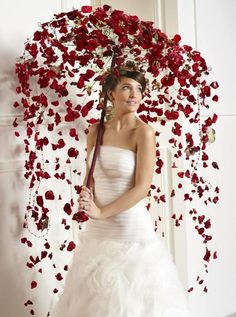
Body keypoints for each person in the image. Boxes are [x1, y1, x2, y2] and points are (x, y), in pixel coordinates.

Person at [50, 62, 192, 317]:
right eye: (126, 88)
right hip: (97, 229)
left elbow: (142, 188)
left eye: (139, 89)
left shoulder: (143, 132)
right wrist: (86, 194)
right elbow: (90, 176)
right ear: (110, 93)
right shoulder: (96, 131)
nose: (135, 95)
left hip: (129, 229)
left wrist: (101, 212)